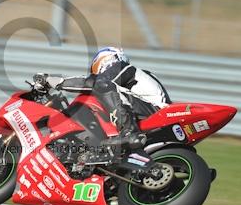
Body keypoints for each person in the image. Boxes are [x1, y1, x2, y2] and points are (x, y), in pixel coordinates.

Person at [42, 47, 171, 177]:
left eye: (97, 66)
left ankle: (128, 131)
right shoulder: (132, 78)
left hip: (153, 112)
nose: (97, 71)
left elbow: (96, 82)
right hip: (147, 115)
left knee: (101, 85)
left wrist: (58, 82)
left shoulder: (123, 67)